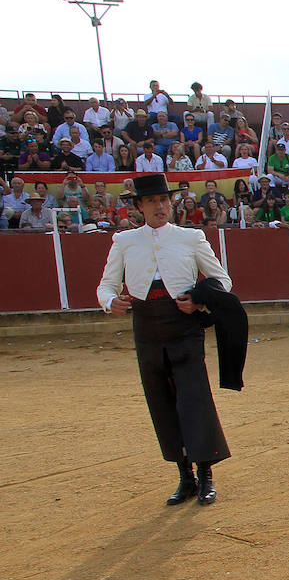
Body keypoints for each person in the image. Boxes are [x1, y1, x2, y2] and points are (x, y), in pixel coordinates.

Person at [96, 173, 236, 506]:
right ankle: (184, 477)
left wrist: (200, 300)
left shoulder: (191, 237)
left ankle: (205, 476)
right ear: (139, 206)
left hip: (183, 324)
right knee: (161, 401)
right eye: (153, 201)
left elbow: (222, 281)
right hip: (146, 328)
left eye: (164, 200)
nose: (160, 206)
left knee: (193, 399)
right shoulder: (125, 242)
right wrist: (109, 302)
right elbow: (106, 285)